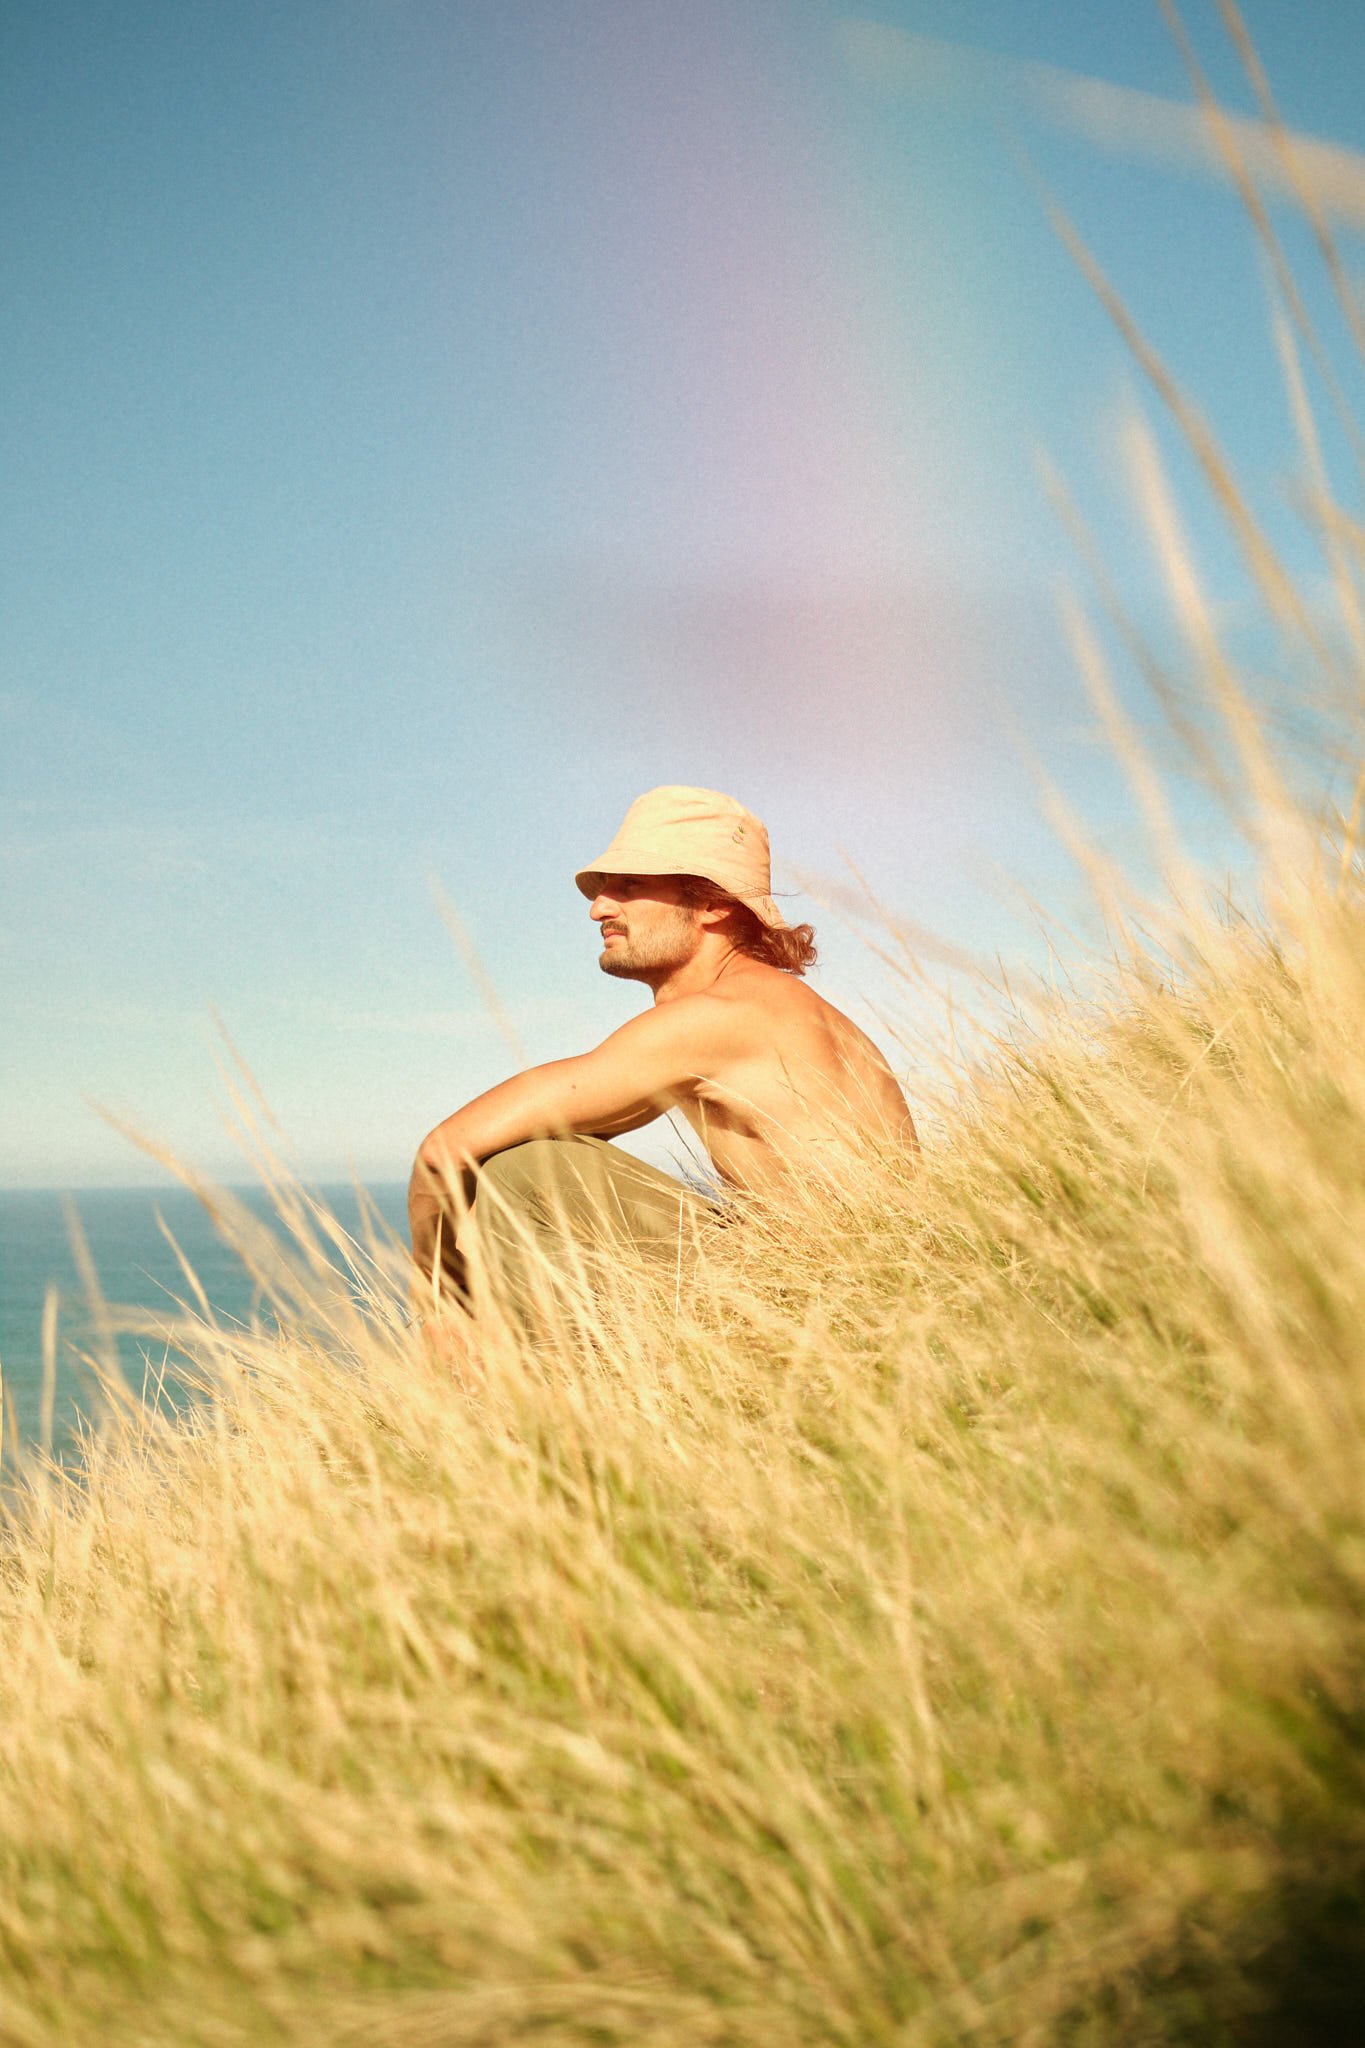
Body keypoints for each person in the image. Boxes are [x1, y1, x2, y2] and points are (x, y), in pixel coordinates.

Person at [408, 785, 916, 1323]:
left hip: (829, 1304)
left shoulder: (717, 1018)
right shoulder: (788, 1010)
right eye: (603, 888)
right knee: (525, 1166)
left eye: (630, 886)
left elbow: (444, 1151)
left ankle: (522, 1373)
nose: (598, 908)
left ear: (714, 903)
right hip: (869, 1287)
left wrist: (441, 1298)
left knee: (526, 1169)